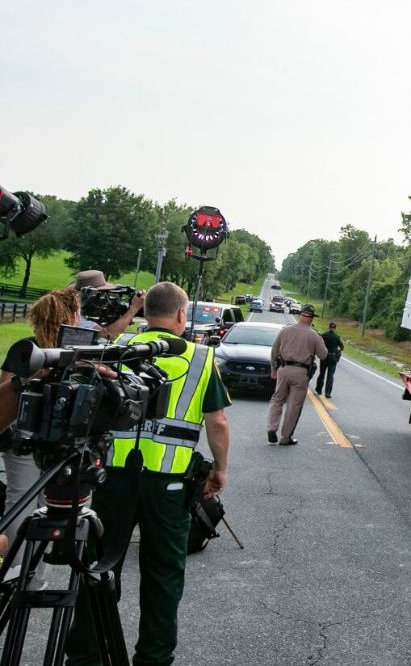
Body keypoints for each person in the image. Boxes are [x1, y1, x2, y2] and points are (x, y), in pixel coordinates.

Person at [66, 281, 231, 666]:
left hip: (112, 478)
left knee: (98, 569)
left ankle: (85, 656)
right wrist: (220, 470)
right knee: (163, 577)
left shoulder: (117, 349)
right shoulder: (201, 359)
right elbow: (217, 422)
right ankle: (153, 659)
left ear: (143, 313)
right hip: (169, 485)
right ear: (180, 315)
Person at [0, 289, 84, 587]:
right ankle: (34, 577)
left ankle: (13, 573)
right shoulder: (75, 354)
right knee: (46, 507)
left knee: (19, 503)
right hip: (50, 440)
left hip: (20, 440)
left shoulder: (25, 350)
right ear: (71, 316)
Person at [267, 304, 327, 445]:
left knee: (277, 399)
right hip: (301, 372)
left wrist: (274, 369)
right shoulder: (314, 335)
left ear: (300, 316)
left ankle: (271, 427)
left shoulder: (285, 330)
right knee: (294, 405)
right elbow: (323, 355)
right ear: (311, 318)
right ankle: (286, 437)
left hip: (283, 368)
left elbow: (274, 351)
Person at [67, 269, 144, 341]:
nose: (104, 296)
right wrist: (133, 309)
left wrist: (122, 319)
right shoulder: (78, 318)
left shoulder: (77, 311)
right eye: (101, 293)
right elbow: (109, 335)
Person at [314, 321, 344, 398]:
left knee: (322, 373)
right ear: (335, 328)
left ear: (329, 327)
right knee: (330, 375)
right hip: (333, 358)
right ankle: (328, 393)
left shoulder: (324, 335)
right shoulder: (337, 337)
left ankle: (319, 389)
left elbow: (319, 342)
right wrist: (338, 351)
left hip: (324, 356)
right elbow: (342, 347)